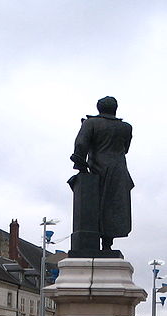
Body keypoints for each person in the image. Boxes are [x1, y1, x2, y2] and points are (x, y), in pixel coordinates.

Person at [71, 96, 134, 251]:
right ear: (115, 109)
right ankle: (107, 244)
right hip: (119, 170)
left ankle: (89, 242)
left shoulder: (90, 123)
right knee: (112, 206)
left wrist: (81, 165)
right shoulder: (126, 127)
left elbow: (80, 144)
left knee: (94, 205)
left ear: (99, 108)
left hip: (97, 169)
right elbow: (125, 149)